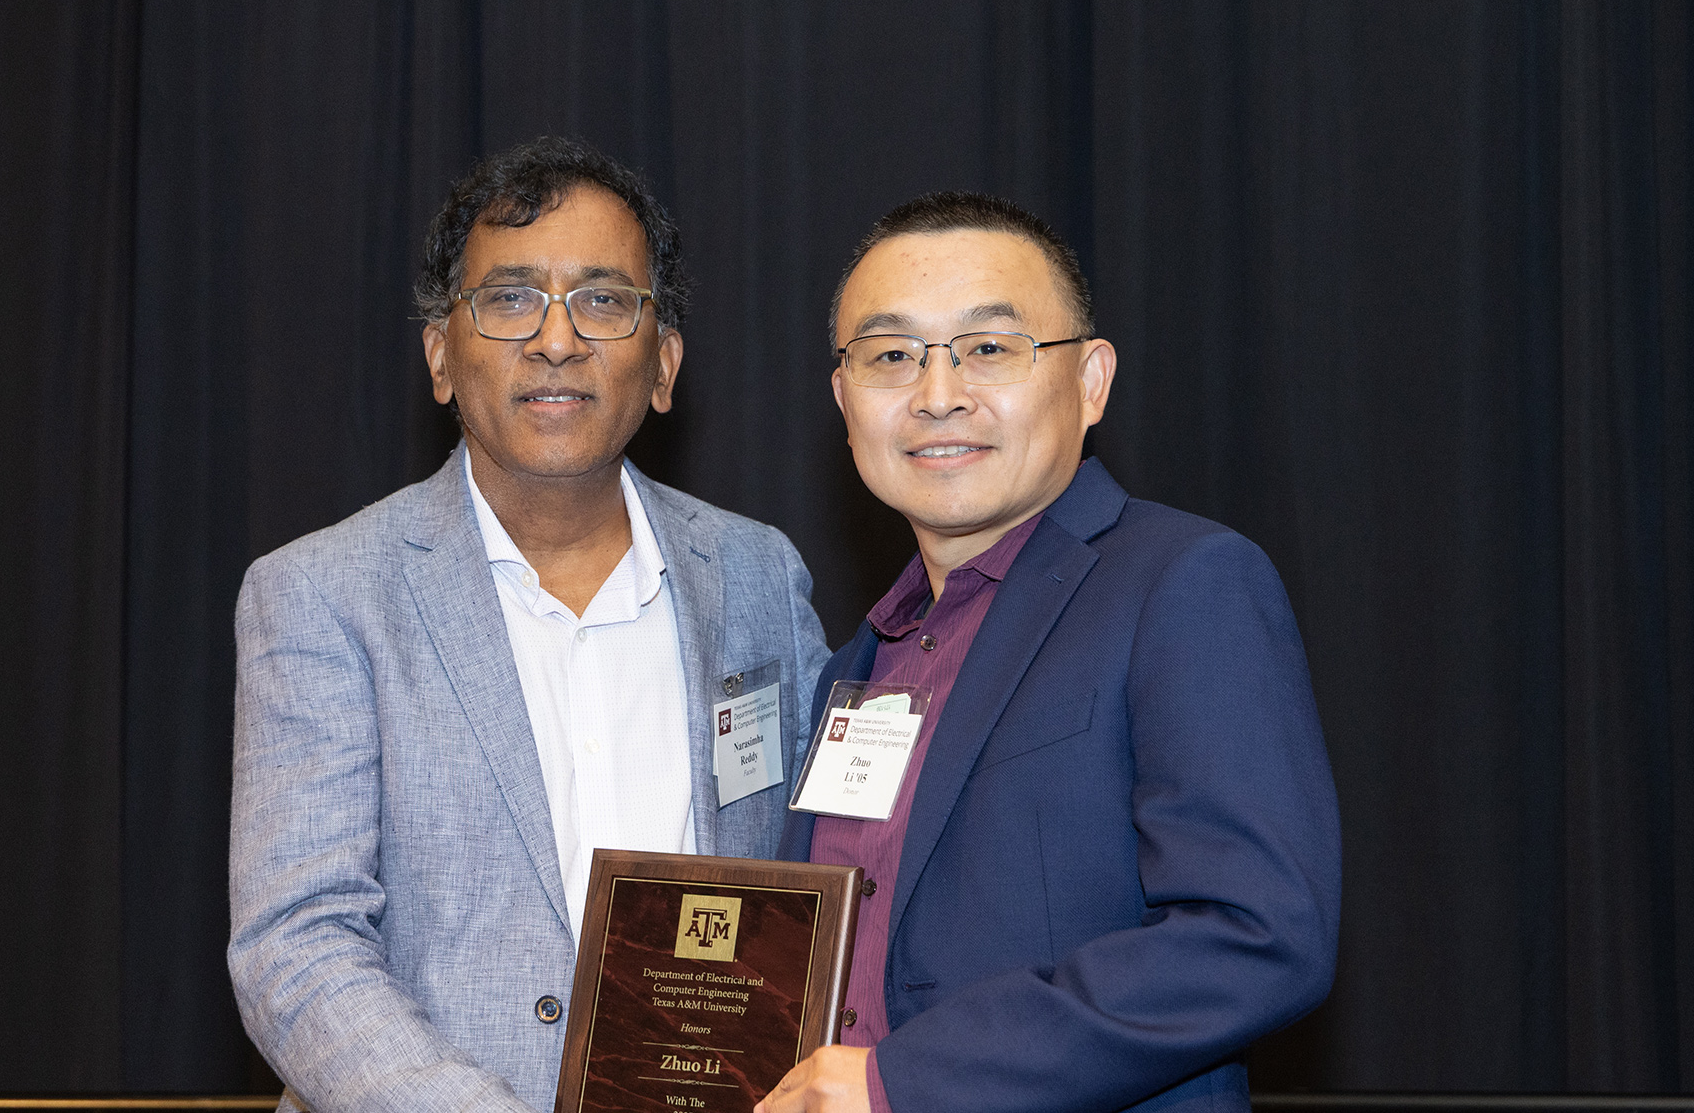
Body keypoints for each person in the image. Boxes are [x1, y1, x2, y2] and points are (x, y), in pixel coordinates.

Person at [229, 137, 830, 1113]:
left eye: (602, 299)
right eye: (508, 299)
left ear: (664, 362)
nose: (556, 339)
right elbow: (295, 945)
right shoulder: (322, 592)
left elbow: (811, 871)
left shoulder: (757, 573)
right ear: (439, 353)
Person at [758, 193, 1340, 1113]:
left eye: (989, 349)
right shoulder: (858, 665)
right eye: (891, 356)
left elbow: (1257, 936)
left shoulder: (1182, 585)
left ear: (1093, 380)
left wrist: (903, 1083)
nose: (938, 394)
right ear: (843, 399)